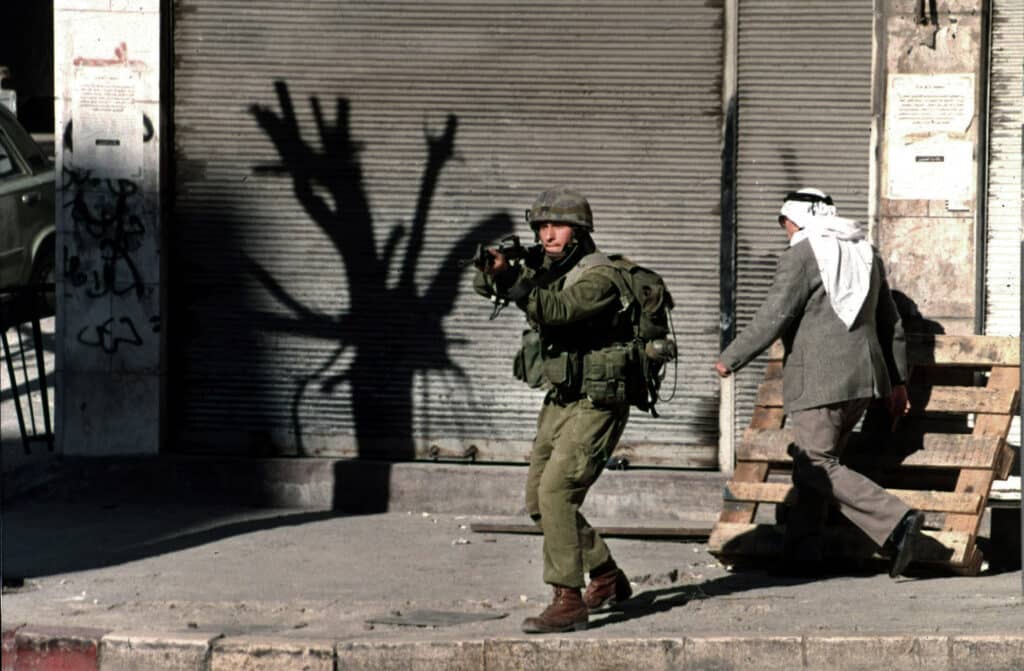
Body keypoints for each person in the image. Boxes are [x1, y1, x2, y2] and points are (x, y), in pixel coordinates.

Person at [714, 187, 925, 578]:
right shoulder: (865, 251)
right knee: (817, 465)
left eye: (785, 225)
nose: (786, 232)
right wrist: (897, 382)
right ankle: (800, 557)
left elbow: (773, 315)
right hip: (865, 379)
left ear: (792, 220)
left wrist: (731, 358)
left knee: (815, 465)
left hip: (820, 381)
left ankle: (897, 521)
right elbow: (890, 322)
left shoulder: (801, 255)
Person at [474, 187, 634, 633]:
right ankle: (605, 575)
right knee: (537, 500)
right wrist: (494, 269)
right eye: (541, 226)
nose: (547, 234)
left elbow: (559, 309)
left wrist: (514, 279)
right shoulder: (547, 265)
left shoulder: (598, 276)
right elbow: (485, 286)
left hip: (599, 401)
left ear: (579, 231)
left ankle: (568, 599)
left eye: (557, 226)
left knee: (557, 493)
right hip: (563, 396)